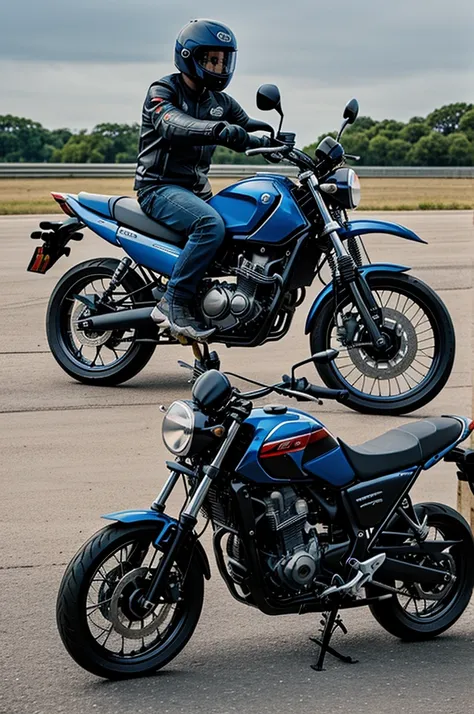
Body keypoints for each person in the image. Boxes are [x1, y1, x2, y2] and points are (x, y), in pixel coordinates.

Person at [134, 18, 270, 341]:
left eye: (223, 60)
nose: (219, 67)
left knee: (241, 225)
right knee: (210, 226)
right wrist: (217, 130)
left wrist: (277, 143)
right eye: (212, 59)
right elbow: (172, 123)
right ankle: (173, 301)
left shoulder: (219, 102)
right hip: (159, 187)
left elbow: (248, 129)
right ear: (188, 56)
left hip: (196, 192)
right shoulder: (163, 91)